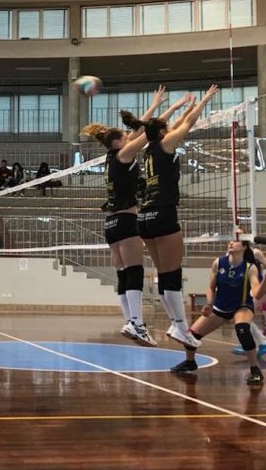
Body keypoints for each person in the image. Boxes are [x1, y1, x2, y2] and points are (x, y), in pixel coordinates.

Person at [82, 85, 181, 347]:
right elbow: (147, 133)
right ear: (117, 142)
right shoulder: (124, 155)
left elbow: (140, 129)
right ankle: (136, 323)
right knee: (135, 270)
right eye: (125, 136)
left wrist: (157, 105)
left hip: (111, 223)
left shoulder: (111, 157)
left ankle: (130, 321)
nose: (129, 136)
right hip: (126, 220)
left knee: (124, 274)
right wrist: (166, 111)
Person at [139, 85, 219, 347]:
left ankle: (176, 323)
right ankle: (181, 327)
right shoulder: (165, 144)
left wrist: (183, 107)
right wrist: (204, 100)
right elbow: (189, 123)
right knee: (171, 274)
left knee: (164, 273)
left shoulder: (149, 148)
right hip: (163, 213)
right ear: (163, 132)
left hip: (145, 217)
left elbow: (178, 122)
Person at [170, 239, 266, 385]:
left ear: (244, 247)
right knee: (191, 335)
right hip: (220, 306)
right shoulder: (218, 263)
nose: (231, 243)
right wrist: (209, 304)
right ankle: (190, 362)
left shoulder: (250, 267)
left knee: (242, 329)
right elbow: (211, 287)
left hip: (241, 306)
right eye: (230, 241)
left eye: (236, 241)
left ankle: (255, 370)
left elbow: (257, 294)